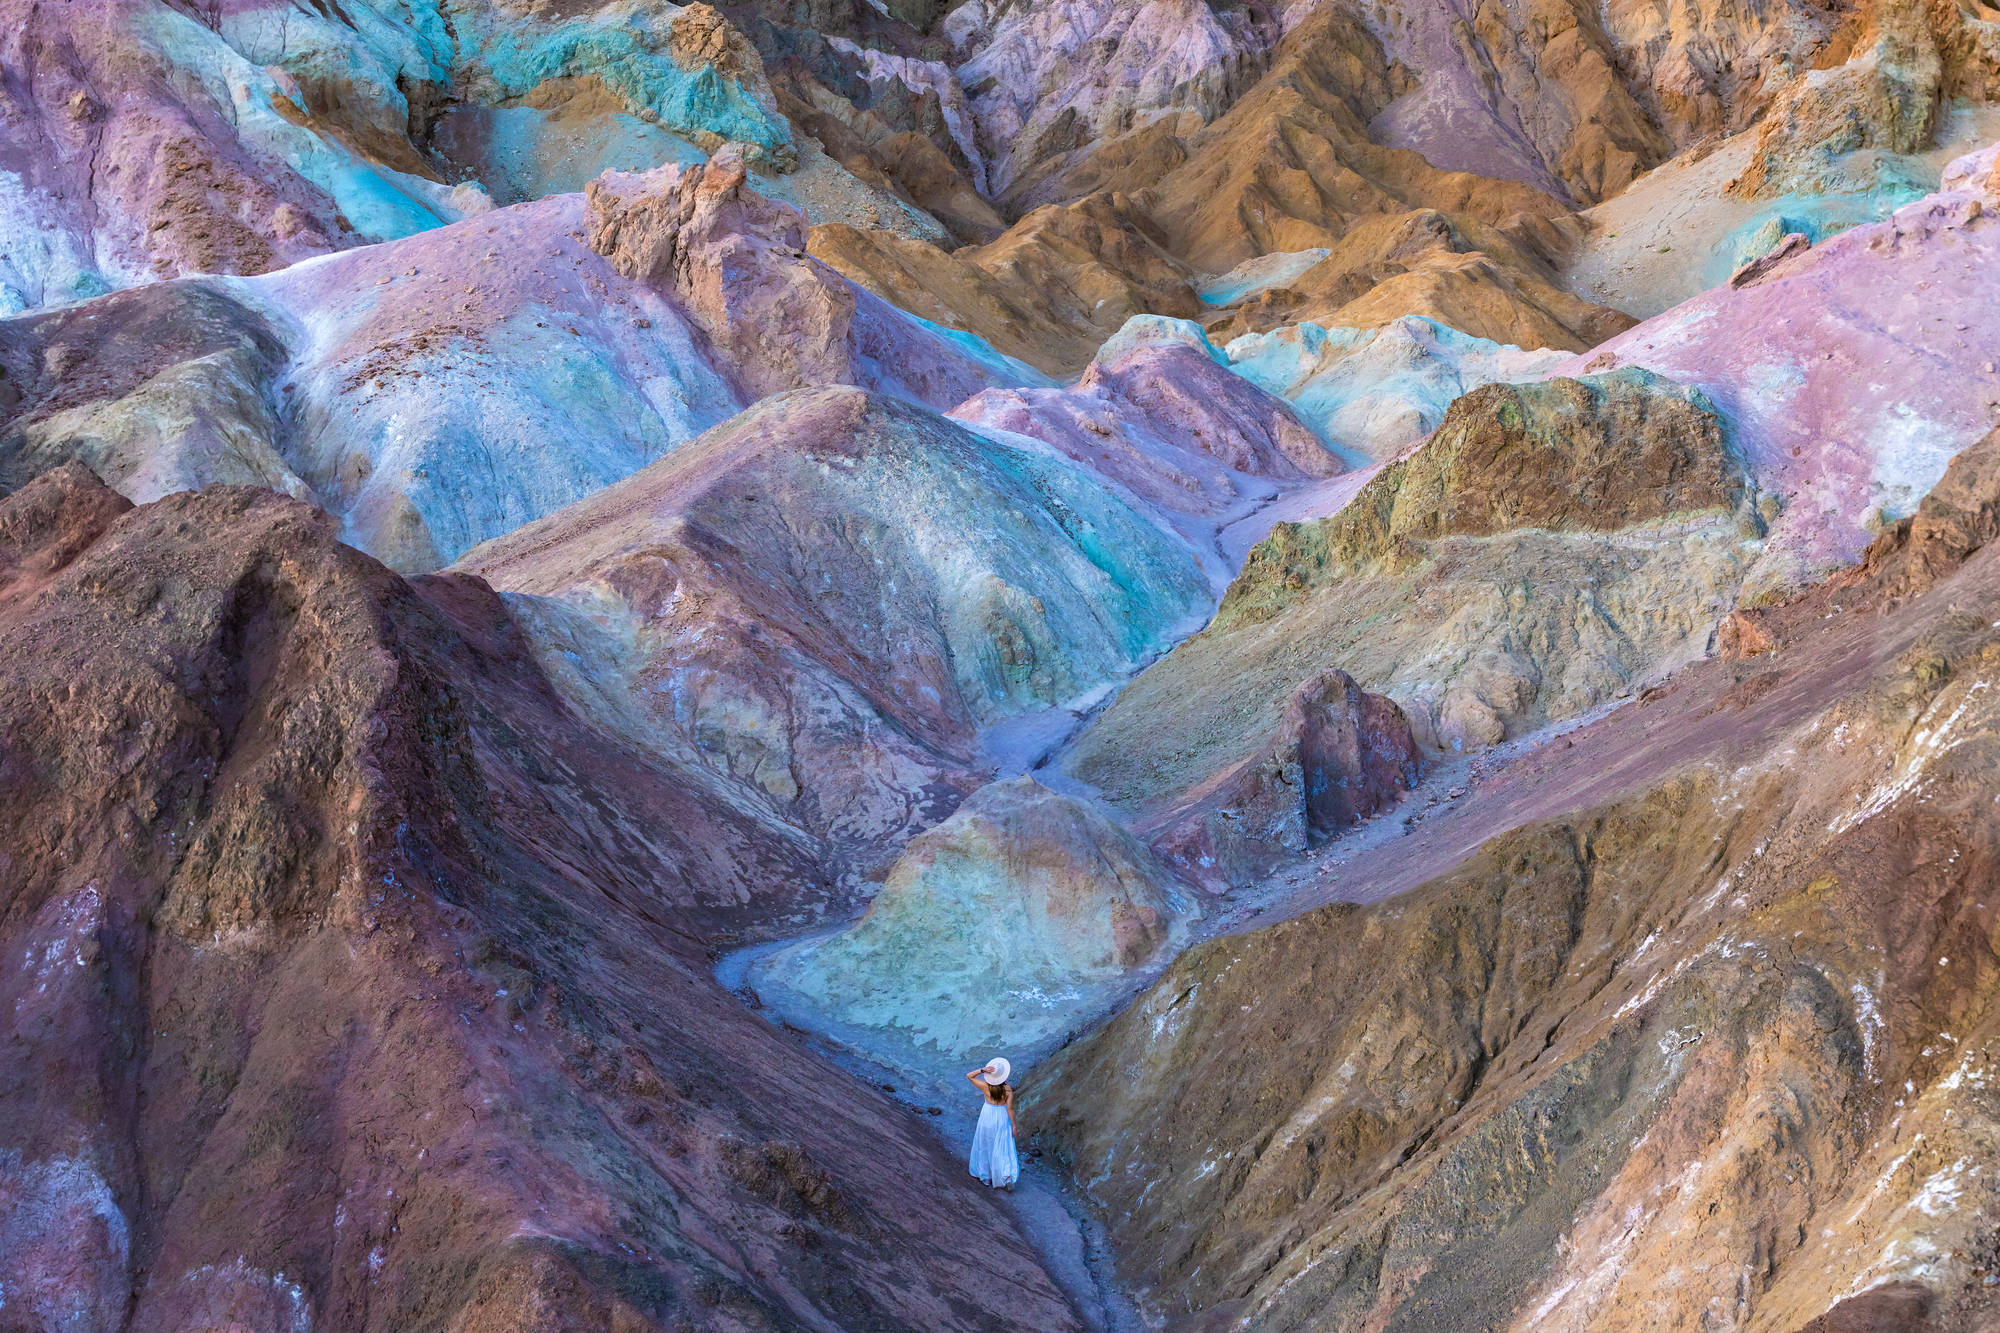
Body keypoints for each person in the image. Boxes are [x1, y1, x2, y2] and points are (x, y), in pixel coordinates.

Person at [966, 1057, 1018, 1190]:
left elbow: (969, 1076)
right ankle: (1005, 1177)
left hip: (987, 1116)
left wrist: (982, 1070)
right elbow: (1010, 1108)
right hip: (1001, 1117)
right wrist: (1014, 1125)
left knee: (985, 1144)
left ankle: (986, 1177)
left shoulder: (985, 1087)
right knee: (1002, 1146)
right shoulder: (1007, 1089)